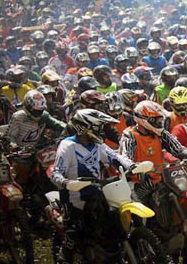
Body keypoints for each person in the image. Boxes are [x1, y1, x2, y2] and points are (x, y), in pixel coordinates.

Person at [51, 109, 135, 262]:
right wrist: (67, 182)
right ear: (84, 127)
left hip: (96, 194)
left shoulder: (97, 145)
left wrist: (132, 165)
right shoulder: (68, 145)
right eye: (98, 127)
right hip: (74, 196)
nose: (102, 131)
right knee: (74, 230)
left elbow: (114, 157)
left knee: (114, 222)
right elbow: (55, 173)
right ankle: (64, 257)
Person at [119, 100, 187, 186]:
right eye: (157, 121)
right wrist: (135, 167)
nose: (159, 123)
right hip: (137, 182)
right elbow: (125, 158)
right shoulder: (130, 135)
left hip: (160, 179)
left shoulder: (160, 133)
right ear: (144, 119)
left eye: (160, 120)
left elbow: (178, 148)